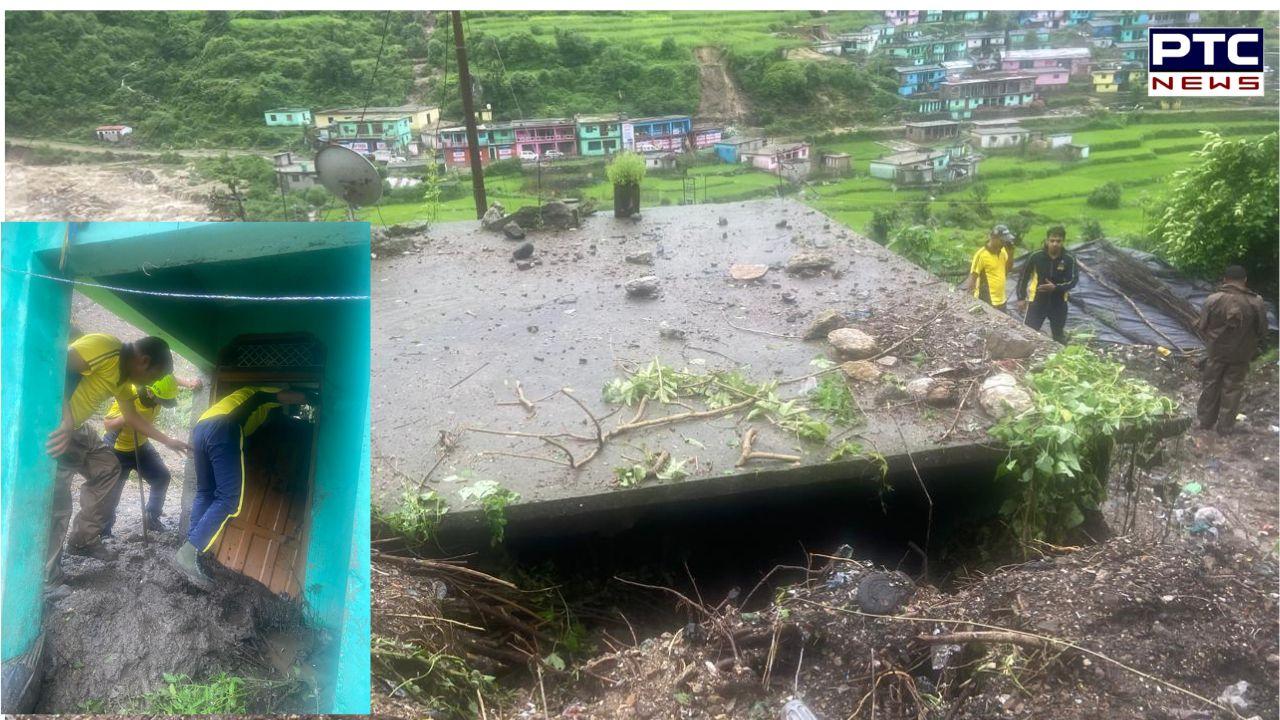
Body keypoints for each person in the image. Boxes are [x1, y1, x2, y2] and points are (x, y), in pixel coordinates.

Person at [45, 334, 191, 584]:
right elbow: (53, 365)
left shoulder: (124, 381)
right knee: (57, 504)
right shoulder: (106, 347)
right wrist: (66, 417)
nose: (151, 384)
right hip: (53, 426)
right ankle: (47, 578)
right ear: (144, 362)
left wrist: (168, 441)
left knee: (108, 467)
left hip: (76, 429)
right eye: (154, 378)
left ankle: (83, 540)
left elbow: (132, 417)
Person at [174, 385, 317, 590]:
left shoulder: (236, 399)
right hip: (223, 427)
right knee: (229, 499)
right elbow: (282, 396)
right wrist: (309, 396)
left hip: (201, 428)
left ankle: (190, 547)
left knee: (205, 492)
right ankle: (189, 552)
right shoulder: (260, 393)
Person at [100, 374, 183, 536]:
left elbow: (174, 379)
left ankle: (151, 517)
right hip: (117, 450)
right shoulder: (129, 397)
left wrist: (189, 382)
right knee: (112, 493)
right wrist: (128, 417)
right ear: (150, 392)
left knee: (162, 477)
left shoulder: (158, 396)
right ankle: (104, 530)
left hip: (141, 446)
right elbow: (107, 424)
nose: (163, 405)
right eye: (162, 400)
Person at [1195, 265, 1268, 435]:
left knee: (1211, 384)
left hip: (1216, 353)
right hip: (1241, 355)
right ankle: (1225, 428)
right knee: (1233, 388)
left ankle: (1205, 422)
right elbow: (1263, 331)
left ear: (1225, 279)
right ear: (1245, 281)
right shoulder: (1257, 301)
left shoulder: (1213, 299)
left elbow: (1202, 326)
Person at [1017, 225, 1079, 344]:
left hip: (1059, 303)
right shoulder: (1036, 256)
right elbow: (1023, 277)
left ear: (1063, 241)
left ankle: (1060, 360)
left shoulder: (1069, 258)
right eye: (1052, 241)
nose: (1055, 244)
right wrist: (1021, 298)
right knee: (1028, 333)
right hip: (1037, 301)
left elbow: (1073, 280)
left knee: (1058, 336)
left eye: (1058, 241)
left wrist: (1055, 288)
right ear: (1047, 240)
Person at [962, 225, 1016, 311]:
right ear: (993, 238)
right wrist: (970, 300)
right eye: (1002, 240)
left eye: (1005, 241)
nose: (1004, 243)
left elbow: (1008, 269)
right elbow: (973, 278)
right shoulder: (981, 255)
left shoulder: (1003, 251)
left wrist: (1011, 254)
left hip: (1002, 299)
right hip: (987, 299)